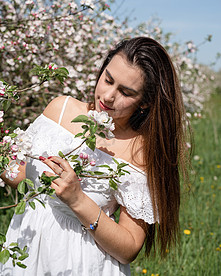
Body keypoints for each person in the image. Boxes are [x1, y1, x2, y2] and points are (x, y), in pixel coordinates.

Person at [0, 37, 190, 275]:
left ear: (146, 102)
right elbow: (22, 177)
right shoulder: (60, 110)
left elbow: (129, 248)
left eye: (126, 92)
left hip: (81, 263)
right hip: (27, 248)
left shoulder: (139, 151)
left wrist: (78, 200)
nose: (109, 96)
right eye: (108, 79)